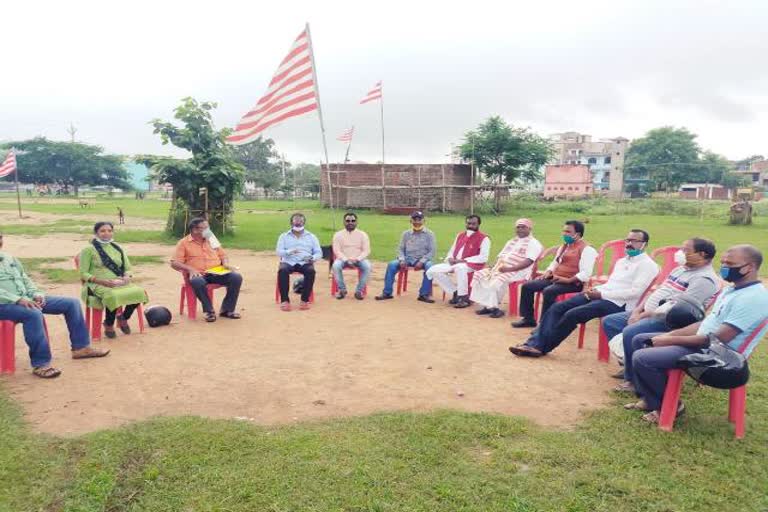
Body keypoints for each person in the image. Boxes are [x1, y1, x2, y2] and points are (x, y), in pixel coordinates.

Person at [625, 245, 768, 424]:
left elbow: (717, 338)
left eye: (730, 263)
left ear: (751, 267)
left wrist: (668, 339)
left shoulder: (753, 298)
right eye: (723, 262)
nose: (724, 267)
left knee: (643, 357)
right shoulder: (732, 290)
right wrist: (671, 335)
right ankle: (652, 398)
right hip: (703, 343)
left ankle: (671, 407)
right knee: (639, 339)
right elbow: (705, 324)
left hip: (718, 355)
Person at [510, 229, 659, 358]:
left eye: (635, 241)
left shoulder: (647, 265)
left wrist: (601, 295)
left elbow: (635, 293)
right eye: (628, 240)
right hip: (601, 294)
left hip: (618, 304)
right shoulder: (622, 261)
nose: (629, 243)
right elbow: (613, 283)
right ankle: (533, 343)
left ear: (644, 244)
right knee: (558, 308)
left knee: (572, 314)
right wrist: (596, 290)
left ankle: (540, 347)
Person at [602, 238, 720, 391]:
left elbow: (678, 309)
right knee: (610, 322)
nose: (680, 253)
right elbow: (657, 292)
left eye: (685, 250)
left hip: (671, 321)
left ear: (701, 254)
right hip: (649, 313)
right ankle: (629, 365)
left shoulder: (704, 279)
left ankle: (632, 381)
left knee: (631, 332)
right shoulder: (681, 269)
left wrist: (644, 315)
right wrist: (638, 310)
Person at [0, 232, 109, 378]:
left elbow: (25, 280)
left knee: (71, 303)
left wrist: (37, 294)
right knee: (33, 314)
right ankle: (41, 363)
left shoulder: (9, 258)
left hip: (26, 299)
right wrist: (17, 299)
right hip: (5, 305)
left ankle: (81, 348)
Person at [512, 220, 598, 328]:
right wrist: (548, 271)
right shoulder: (565, 246)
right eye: (564, 231)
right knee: (528, 286)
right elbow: (555, 262)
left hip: (573, 283)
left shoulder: (587, 249)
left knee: (549, 291)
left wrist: (568, 280)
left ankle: (545, 325)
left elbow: (586, 273)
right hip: (556, 279)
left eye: (568, 232)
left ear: (578, 234)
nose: (564, 234)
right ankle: (528, 319)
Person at [78, 222, 149, 339]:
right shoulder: (88, 250)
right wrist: (102, 281)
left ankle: (123, 318)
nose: (107, 233)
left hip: (118, 281)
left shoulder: (117, 247)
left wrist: (127, 277)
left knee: (139, 292)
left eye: (109, 231)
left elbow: (128, 268)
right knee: (112, 294)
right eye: (103, 231)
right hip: (96, 284)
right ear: (96, 233)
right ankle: (109, 324)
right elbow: (83, 273)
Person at [171, 217, 243, 322]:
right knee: (197, 281)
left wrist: (226, 264)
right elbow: (174, 263)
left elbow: (223, 255)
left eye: (208, 227)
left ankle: (227, 310)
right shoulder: (183, 243)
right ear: (195, 230)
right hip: (199, 274)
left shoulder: (211, 238)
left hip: (216, 273)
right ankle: (209, 311)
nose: (208, 230)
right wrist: (190, 269)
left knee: (236, 277)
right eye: (205, 228)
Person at [470, 218, 543, 318]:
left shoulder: (533, 243)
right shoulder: (512, 241)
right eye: (518, 227)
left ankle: (494, 308)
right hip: (502, 268)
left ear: (529, 229)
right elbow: (501, 256)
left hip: (519, 271)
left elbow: (529, 261)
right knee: (480, 275)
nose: (520, 229)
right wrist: (494, 266)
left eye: (523, 227)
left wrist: (509, 269)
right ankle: (487, 305)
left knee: (495, 282)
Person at [426, 215, 490, 308]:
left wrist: (463, 260)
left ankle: (463, 298)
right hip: (455, 263)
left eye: (473, 224)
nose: (471, 226)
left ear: (479, 224)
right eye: (469, 223)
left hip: (471, 265)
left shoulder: (484, 238)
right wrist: (450, 258)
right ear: (466, 223)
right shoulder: (460, 235)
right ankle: (455, 292)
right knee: (433, 270)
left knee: (461, 267)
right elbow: (452, 250)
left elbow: (483, 257)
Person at [375, 211, 436, 303]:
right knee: (391, 265)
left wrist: (422, 261)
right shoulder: (406, 234)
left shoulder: (429, 234)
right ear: (411, 221)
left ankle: (423, 294)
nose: (417, 222)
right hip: (407, 258)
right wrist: (402, 260)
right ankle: (387, 293)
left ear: (424, 221)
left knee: (430, 267)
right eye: (414, 219)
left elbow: (432, 251)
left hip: (422, 259)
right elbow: (400, 249)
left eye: (419, 220)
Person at [276, 213, 322, 311]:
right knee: (282, 270)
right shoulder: (283, 236)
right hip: (288, 261)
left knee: (311, 271)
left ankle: (304, 300)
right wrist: (289, 251)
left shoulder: (311, 237)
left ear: (304, 222)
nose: (298, 223)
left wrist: (312, 258)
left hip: (304, 262)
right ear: (291, 223)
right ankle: (285, 301)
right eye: (295, 221)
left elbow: (319, 252)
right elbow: (278, 251)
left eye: (300, 221)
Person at [331, 212, 371, 300]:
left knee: (367, 266)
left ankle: (359, 291)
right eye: (348, 220)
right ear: (344, 222)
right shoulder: (338, 235)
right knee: (336, 266)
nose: (350, 222)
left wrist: (357, 259)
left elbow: (366, 251)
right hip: (343, 259)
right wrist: (346, 260)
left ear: (356, 222)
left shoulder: (363, 234)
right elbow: (336, 250)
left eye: (353, 220)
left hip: (359, 259)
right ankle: (342, 290)